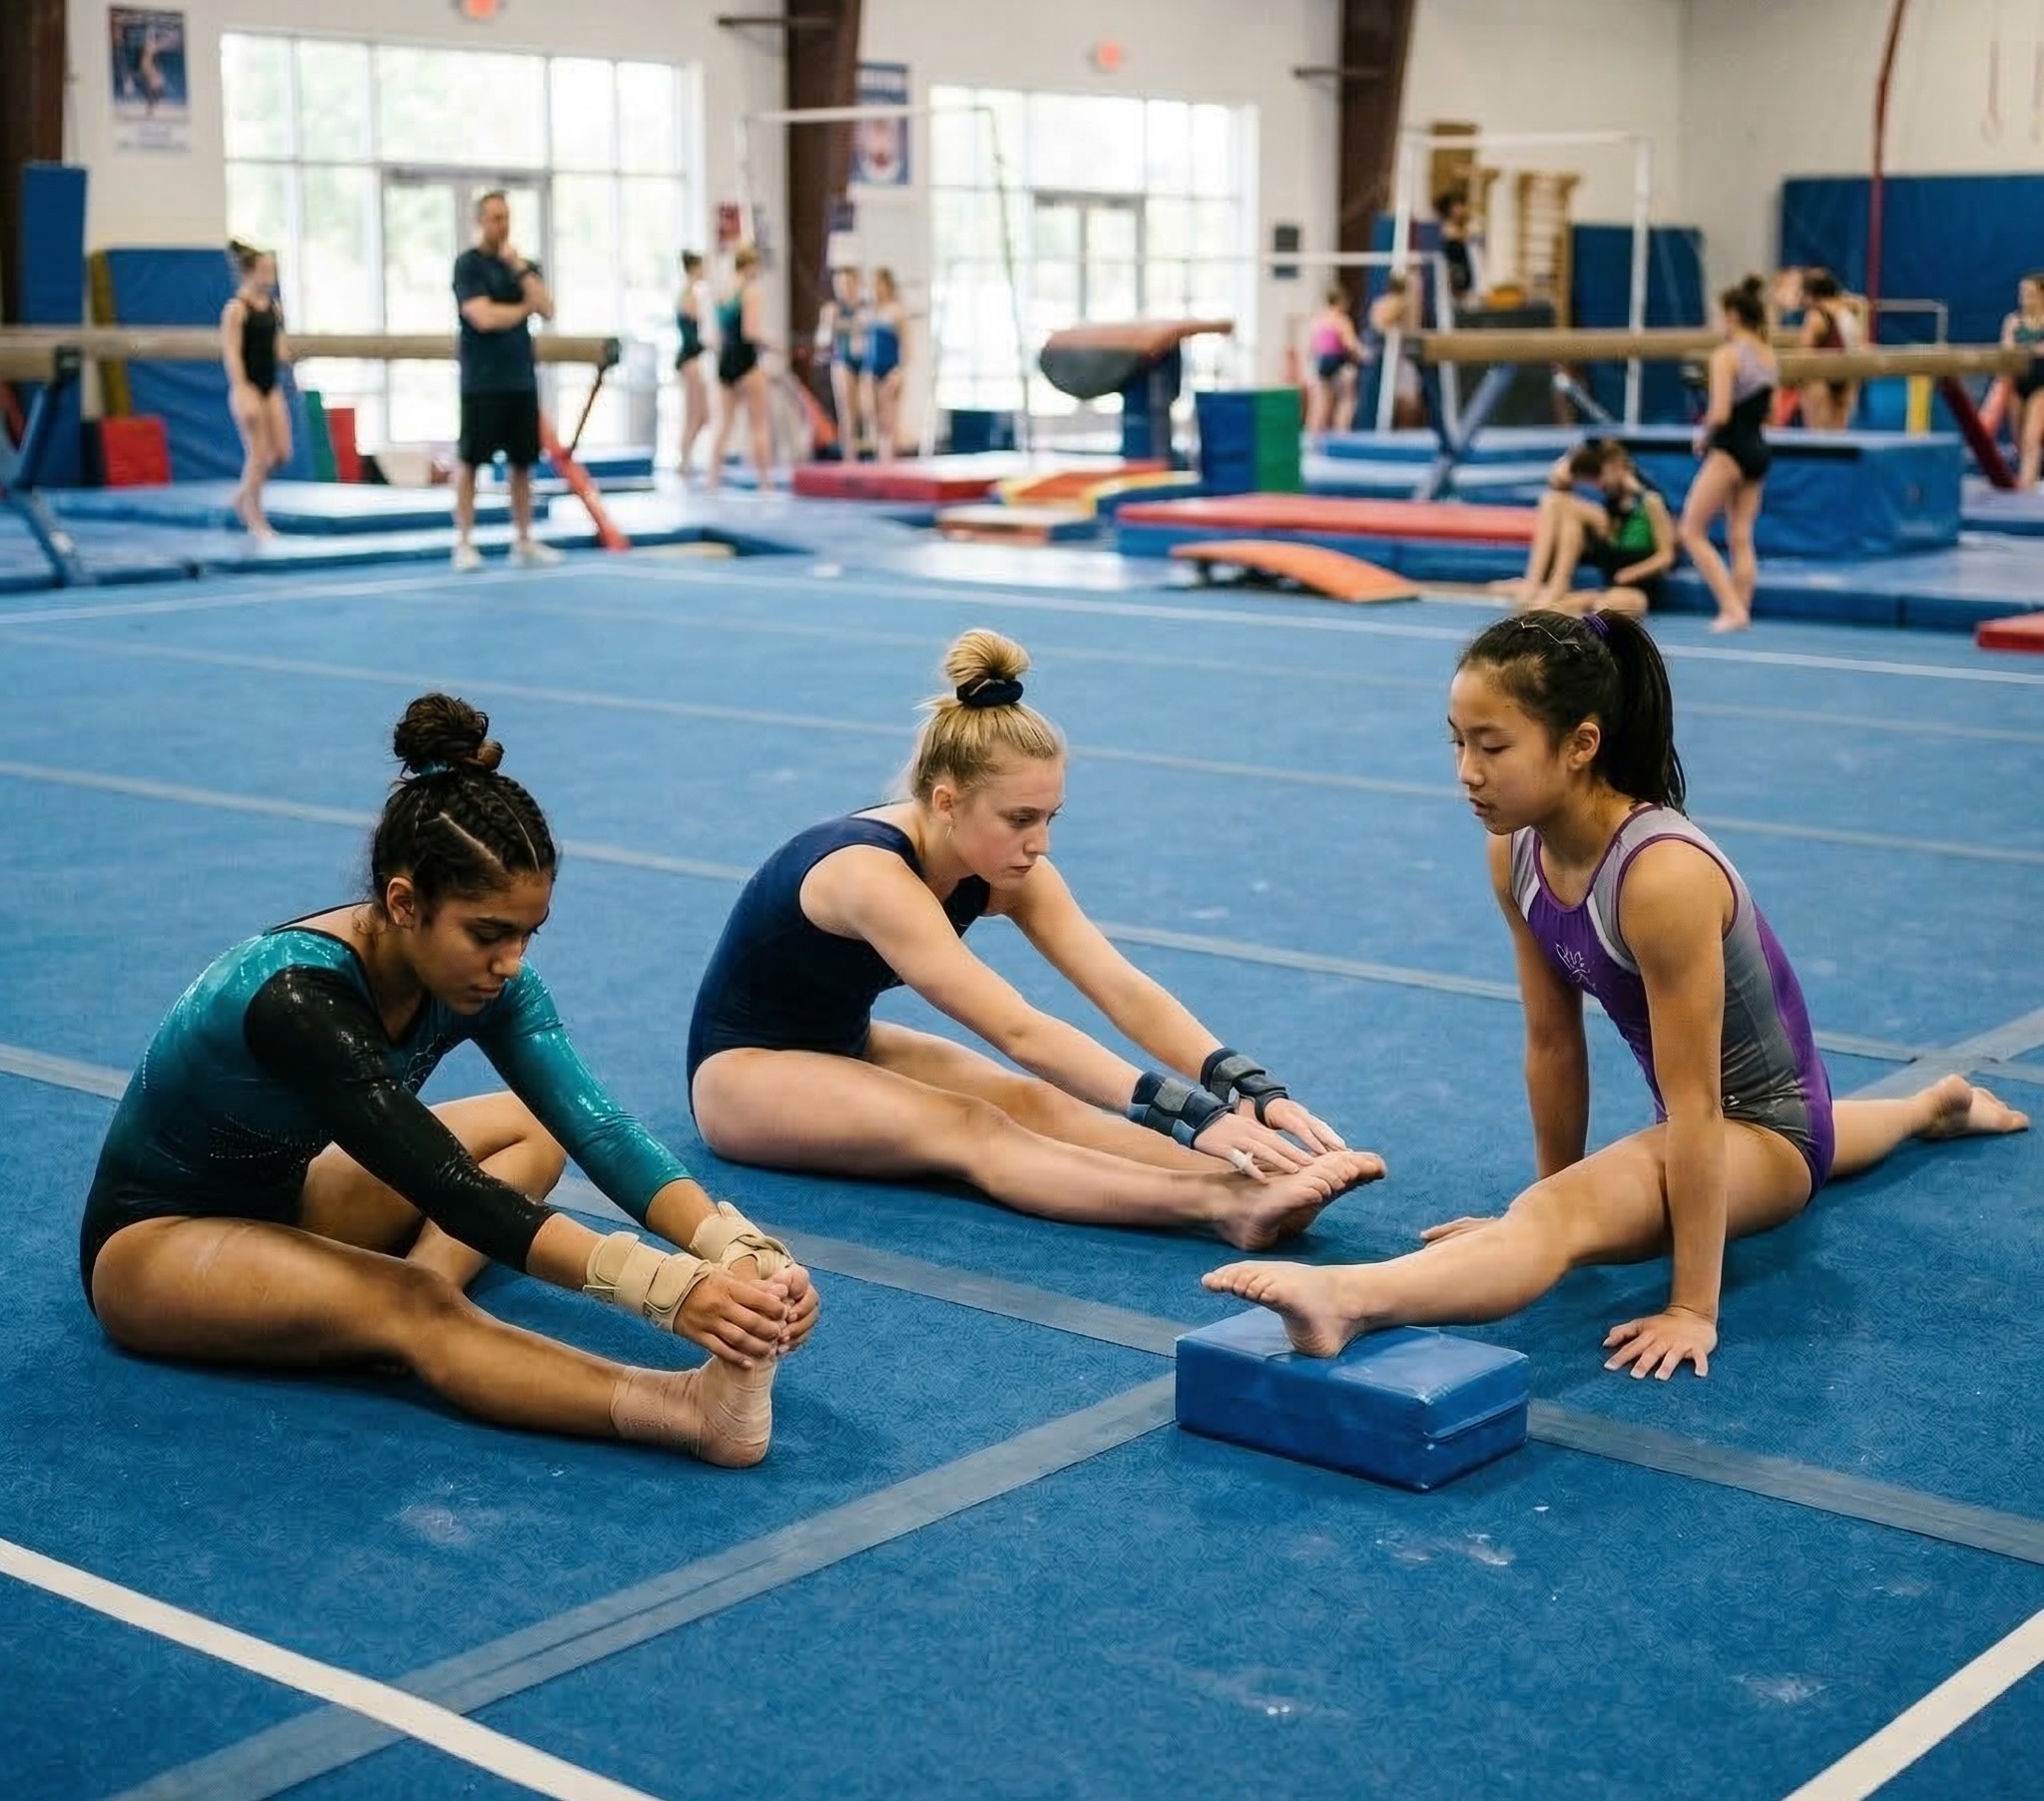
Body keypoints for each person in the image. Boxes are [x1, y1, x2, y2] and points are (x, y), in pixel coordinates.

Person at [1207, 611, 2028, 1379]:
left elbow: (1697, 1103)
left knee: (1556, 1219)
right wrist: (1552, 1194)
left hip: (1754, 1130)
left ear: (1580, 744)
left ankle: (1347, 1297)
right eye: (1456, 743)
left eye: (1492, 746)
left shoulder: (1661, 875)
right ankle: (1935, 1105)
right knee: (1555, 1211)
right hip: (1749, 1122)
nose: (1467, 773)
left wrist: (1690, 1304)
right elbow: (1552, 1044)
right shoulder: (1516, 854)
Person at [80, 693, 819, 1466]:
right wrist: (667, 1289)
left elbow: (597, 1127)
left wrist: (731, 1245)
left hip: (280, 1199)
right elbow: (450, 1186)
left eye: (528, 934)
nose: (512, 962)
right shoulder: (297, 1001)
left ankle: (390, 1309)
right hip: (156, 1246)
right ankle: (684, 1410)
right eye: (489, 934)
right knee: (420, 1300)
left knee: (529, 1125)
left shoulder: (483, 979)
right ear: (405, 903)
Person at [687, 630, 1386, 1248]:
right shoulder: (869, 874)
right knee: (970, 1127)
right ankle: (1219, 1204)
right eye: (1020, 818)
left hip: (847, 1045)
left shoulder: (1005, 864)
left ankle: (1259, 1174)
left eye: (1050, 816)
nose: (1039, 844)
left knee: (1038, 1103)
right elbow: (1018, 1027)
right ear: (946, 801)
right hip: (745, 1075)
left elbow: (1122, 989)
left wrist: (1245, 1088)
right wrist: (1193, 1115)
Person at [451, 192, 563, 573]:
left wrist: (518, 269)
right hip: (482, 381)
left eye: (506, 217)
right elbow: (483, 318)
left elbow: (546, 307)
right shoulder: (468, 266)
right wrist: (521, 309)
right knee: (470, 462)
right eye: (495, 218)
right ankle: (464, 541)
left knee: (522, 464)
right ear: (480, 221)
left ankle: (525, 539)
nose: (502, 225)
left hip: (520, 380)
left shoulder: (524, 267)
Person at [1678, 276, 1776, 634]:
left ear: (1733, 315)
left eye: (1719, 315)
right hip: (1758, 446)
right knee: (1740, 533)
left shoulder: (1727, 355)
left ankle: (1732, 609)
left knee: (1691, 530)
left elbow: (1719, 412)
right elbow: (1770, 411)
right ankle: (1741, 607)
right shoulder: (1767, 354)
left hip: (1731, 447)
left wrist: (1704, 437)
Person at [1493, 440, 1675, 617]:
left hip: (1636, 588)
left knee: (1604, 605)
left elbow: (1666, 556)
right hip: (1611, 580)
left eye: (1601, 474)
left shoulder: (1650, 501)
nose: (1599, 484)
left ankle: (1549, 588)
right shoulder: (1613, 501)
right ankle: (1549, 584)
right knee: (1549, 608)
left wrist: (1632, 573)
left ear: (1618, 465)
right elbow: (1559, 477)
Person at [220, 240, 291, 543]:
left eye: (272, 270)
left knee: (281, 454)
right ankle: (255, 520)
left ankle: (241, 495)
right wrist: (241, 389)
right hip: (247, 385)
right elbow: (232, 353)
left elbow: (278, 348)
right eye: (264, 270)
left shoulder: (274, 307)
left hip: (270, 385)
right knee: (258, 453)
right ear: (248, 273)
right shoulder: (237, 309)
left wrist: (290, 356)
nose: (270, 276)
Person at [707, 244, 775, 496]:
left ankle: (712, 482)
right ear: (751, 266)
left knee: (723, 424)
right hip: (746, 362)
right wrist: (772, 343)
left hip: (725, 361)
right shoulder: (750, 291)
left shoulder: (723, 291)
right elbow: (750, 332)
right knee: (758, 423)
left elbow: (716, 335)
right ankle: (765, 484)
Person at [1796, 268, 1859, 431]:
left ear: (1811, 295)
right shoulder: (1849, 314)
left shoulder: (1816, 315)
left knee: (1818, 432)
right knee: (1838, 433)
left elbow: (1804, 351)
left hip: (1821, 376)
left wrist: (1797, 379)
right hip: (1848, 375)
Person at [814, 266, 865, 461]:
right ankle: (850, 458)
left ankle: (878, 459)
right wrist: (831, 326)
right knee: (847, 413)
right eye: (840, 285)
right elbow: (822, 343)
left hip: (865, 362)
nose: (844, 288)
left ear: (856, 284)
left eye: (848, 284)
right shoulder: (831, 310)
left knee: (866, 409)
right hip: (842, 361)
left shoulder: (865, 307)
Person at [1365, 274, 1426, 430]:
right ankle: (1404, 428)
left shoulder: (1378, 303)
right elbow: (1411, 327)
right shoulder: (1400, 303)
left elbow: (1376, 325)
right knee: (1407, 396)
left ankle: (1396, 427)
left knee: (1396, 393)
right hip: (1396, 352)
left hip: (1382, 351)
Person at [2001, 273, 2044, 490]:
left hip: (2041, 384)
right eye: (2022, 294)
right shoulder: (2013, 320)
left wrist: (2026, 350)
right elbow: (2007, 350)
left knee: (2031, 438)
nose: (2024, 298)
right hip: (2017, 384)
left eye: (2030, 294)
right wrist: (2033, 350)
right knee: (2018, 442)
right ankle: (2033, 474)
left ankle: (2025, 489)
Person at [862, 268, 910, 465]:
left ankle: (890, 460)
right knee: (873, 414)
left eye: (879, 284)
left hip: (891, 368)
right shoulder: (873, 312)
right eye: (873, 285)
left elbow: (906, 346)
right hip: (873, 369)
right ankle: (881, 457)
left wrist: (899, 371)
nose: (876, 289)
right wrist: (866, 372)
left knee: (889, 416)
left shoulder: (896, 311)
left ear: (888, 286)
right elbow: (867, 345)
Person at [1302, 286, 1363, 436]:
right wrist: (1364, 353)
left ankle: (1312, 434)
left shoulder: (1318, 319)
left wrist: (1309, 367)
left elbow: (1311, 346)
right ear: (1341, 302)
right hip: (1335, 361)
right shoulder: (1341, 319)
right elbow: (1350, 343)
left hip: (1320, 362)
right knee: (1348, 397)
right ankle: (1341, 431)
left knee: (1320, 402)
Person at [674, 250, 712, 480]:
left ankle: (686, 458)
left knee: (702, 415)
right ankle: (684, 460)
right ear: (694, 268)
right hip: (690, 360)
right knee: (695, 414)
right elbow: (701, 329)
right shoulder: (690, 296)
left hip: (693, 358)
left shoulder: (690, 294)